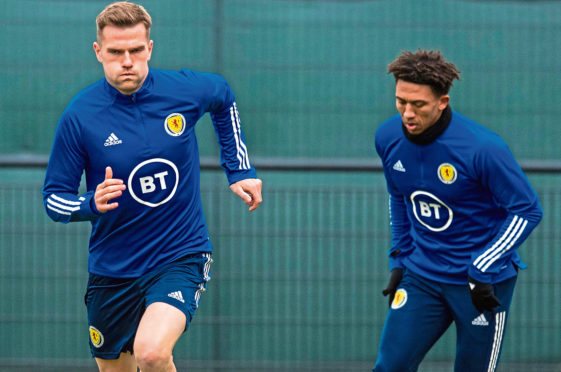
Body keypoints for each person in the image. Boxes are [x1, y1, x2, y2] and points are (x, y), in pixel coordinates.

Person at [41, 2, 262, 371]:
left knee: (152, 353)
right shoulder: (80, 115)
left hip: (178, 254)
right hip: (113, 269)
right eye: (115, 52)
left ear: (150, 49)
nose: (126, 60)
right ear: (98, 52)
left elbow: (222, 95)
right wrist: (88, 203)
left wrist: (239, 169)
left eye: (135, 50)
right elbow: (54, 200)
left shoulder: (183, 90)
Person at [373, 49, 542, 372]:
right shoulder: (387, 136)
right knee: (388, 367)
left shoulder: (483, 148)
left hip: (480, 285)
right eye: (400, 101)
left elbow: (527, 210)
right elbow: (399, 196)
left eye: (418, 105)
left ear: (442, 102)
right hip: (421, 276)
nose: (407, 113)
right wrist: (398, 256)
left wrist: (482, 266)